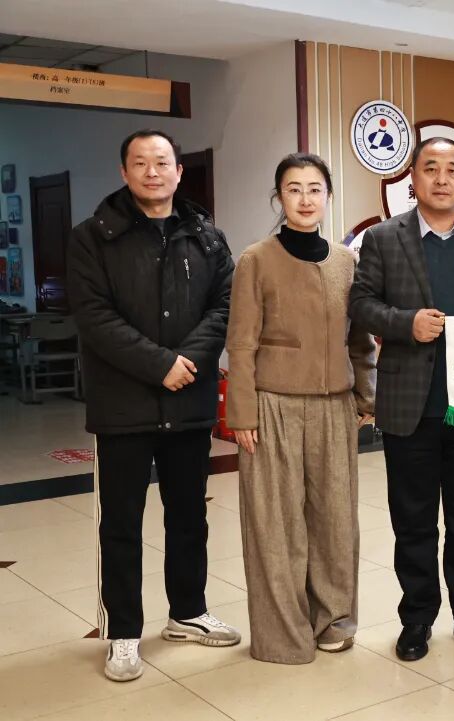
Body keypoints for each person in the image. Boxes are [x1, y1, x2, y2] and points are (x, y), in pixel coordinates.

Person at [67, 129, 239, 682]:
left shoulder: (206, 236)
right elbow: (95, 317)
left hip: (188, 402)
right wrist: (159, 364)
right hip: (123, 407)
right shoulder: (93, 237)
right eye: (140, 163)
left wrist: (186, 360)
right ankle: (123, 632)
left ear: (179, 171)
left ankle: (188, 612)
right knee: (121, 523)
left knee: (189, 516)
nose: (152, 172)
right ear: (124, 172)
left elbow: (225, 305)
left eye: (162, 162)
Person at [349, 137, 454, 662]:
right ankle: (417, 618)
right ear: (412, 178)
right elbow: (361, 304)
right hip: (410, 405)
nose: (442, 179)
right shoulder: (383, 238)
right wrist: (406, 323)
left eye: (452, 170)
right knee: (414, 520)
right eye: (431, 168)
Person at [225, 153, 376, 664]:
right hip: (273, 405)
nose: (305, 199)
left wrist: (365, 394)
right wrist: (241, 414)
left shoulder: (346, 261)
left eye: (315, 189)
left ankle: (333, 620)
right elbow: (240, 343)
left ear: (328, 197)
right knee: (276, 524)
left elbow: (360, 338)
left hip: (335, 406)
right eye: (294, 189)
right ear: (279, 198)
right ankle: (282, 634)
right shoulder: (255, 260)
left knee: (336, 520)